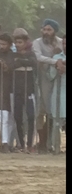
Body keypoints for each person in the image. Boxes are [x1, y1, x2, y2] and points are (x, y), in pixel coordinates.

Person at [33, 19, 62, 153]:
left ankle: (50, 143)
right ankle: (42, 142)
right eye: (44, 29)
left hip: (58, 81)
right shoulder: (37, 42)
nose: (46, 32)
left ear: (55, 31)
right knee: (41, 111)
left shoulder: (61, 42)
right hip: (42, 80)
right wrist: (55, 60)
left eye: (49, 30)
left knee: (54, 111)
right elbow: (38, 57)